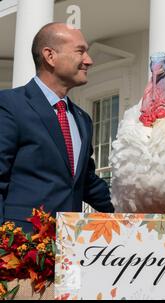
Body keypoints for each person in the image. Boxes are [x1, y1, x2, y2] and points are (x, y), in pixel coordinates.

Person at [0, 22, 114, 232]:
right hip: (19, 250)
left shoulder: (82, 119)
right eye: (80, 51)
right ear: (50, 56)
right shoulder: (9, 105)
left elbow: (86, 182)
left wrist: (134, 210)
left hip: (71, 245)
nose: (89, 60)